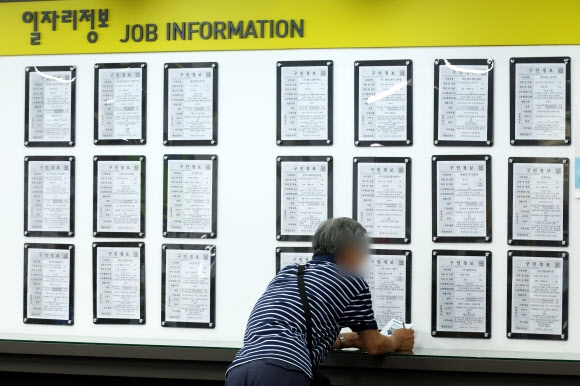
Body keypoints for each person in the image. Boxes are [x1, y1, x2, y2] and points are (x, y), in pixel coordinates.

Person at [225, 217, 415, 385]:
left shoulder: (289, 273)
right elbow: (375, 346)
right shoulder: (351, 281)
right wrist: (396, 340)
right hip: (284, 371)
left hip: (239, 369)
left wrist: (349, 340)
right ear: (350, 250)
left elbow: (294, 331)